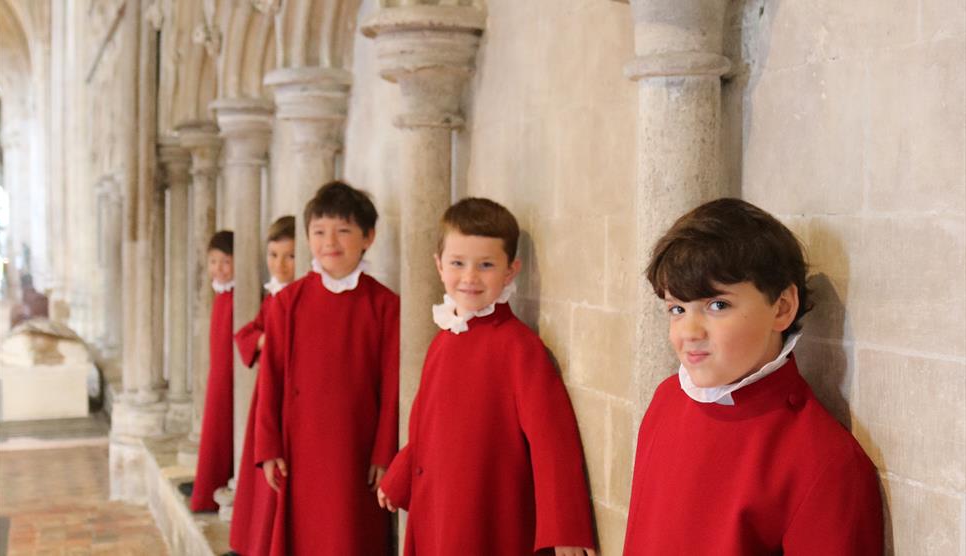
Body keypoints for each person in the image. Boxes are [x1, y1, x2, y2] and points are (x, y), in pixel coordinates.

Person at [622, 198, 883, 555]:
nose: (689, 332)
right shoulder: (668, 399)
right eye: (677, 309)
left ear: (782, 307)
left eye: (718, 305)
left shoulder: (824, 460)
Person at [377, 197, 596, 556]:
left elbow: (552, 443)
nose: (469, 277)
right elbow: (425, 426)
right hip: (436, 507)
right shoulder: (442, 341)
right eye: (458, 263)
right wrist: (401, 474)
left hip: (486, 513)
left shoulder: (518, 347)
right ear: (439, 266)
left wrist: (565, 527)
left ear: (511, 271)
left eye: (486, 265)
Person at [255, 182, 399, 555]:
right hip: (299, 448)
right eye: (319, 232)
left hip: (357, 449)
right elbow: (270, 378)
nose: (329, 242)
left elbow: (393, 385)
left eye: (344, 231)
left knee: (352, 536)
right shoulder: (287, 302)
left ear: (368, 237)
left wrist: (384, 453)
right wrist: (268, 447)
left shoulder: (385, 305)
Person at [230, 215, 295, 556]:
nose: (280, 265)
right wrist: (264, 341)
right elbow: (248, 332)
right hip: (267, 393)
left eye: (289, 256)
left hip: (290, 395)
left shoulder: (296, 299)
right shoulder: (273, 296)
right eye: (273, 255)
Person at [190, 230, 236, 512]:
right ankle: (206, 485)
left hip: (230, 378)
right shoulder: (221, 295)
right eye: (213, 261)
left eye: (226, 261)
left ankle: (212, 488)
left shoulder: (236, 298)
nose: (218, 268)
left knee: (221, 430)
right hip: (218, 374)